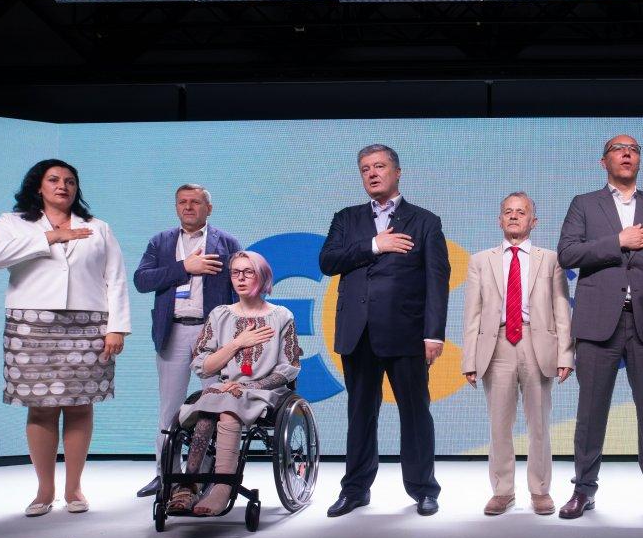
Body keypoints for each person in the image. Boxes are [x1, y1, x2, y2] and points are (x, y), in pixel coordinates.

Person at [0, 159, 130, 516]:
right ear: (38, 186)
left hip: (88, 324)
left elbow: (115, 278)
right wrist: (49, 237)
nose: (63, 186)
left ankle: (74, 488)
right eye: (54, 179)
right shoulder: (13, 222)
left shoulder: (97, 227)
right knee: (41, 406)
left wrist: (116, 327)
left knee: (80, 405)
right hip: (31, 325)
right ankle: (44, 490)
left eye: (70, 181)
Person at [557, 134, 643, 523]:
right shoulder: (584, 204)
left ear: (639, 160)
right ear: (604, 162)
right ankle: (583, 490)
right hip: (598, 323)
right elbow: (568, 253)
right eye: (619, 149)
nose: (627, 153)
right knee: (590, 413)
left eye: (633, 149)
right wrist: (619, 240)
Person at [320, 144, 450, 517]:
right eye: (365, 169)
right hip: (357, 333)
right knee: (360, 414)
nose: (372, 174)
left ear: (397, 172)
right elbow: (328, 261)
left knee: (415, 413)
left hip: (406, 333)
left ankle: (424, 489)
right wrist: (375, 245)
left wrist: (434, 333)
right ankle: (355, 489)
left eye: (379, 166)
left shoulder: (425, 221)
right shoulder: (346, 219)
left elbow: (437, 281)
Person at [462, 192, 574, 515]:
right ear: (499, 220)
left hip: (537, 343)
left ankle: (540, 490)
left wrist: (565, 354)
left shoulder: (550, 259)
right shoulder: (480, 261)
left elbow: (561, 309)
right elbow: (472, 314)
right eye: (508, 212)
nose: (514, 216)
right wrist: (469, 359)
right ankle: (503, 491)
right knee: (499, 424)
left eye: (521, 212)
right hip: (496, 344)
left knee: (539, 423)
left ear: (533, 221)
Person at [168, 251, 302, 516]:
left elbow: (288, 368)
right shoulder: (220, 315)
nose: (240, 278)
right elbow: (204, 365)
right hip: (225, 388)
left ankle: (222, 487)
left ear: (262, 277)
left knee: (226, 410)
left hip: (265, 392)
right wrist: (237, 343)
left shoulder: (281, 316)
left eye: (248, 272)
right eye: (235, 273)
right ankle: (189, 484)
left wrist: (249, 387)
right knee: (208, 411)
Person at [132, 184, 242, 498]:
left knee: (214, 404)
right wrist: (184, 268)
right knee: (170, 407)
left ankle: (205, 474)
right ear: (176, 207)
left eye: (195, 202)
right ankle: (165, 474)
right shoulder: (160, 242)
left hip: (213, 333)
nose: (188, 207)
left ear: (209, 208)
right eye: (182, 202)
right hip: (174, 330)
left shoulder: (227, 242)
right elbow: (141, 280)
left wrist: (233, 336)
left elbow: (238, 289)